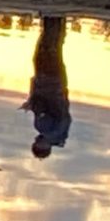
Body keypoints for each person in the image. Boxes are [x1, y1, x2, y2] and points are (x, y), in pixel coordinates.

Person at [20, 12, 71, 158]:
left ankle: (59, 19)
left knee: (55, 48)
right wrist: (30, 105)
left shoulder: (62, 132)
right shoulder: (45, 129)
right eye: (36, 144)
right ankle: (52, 16)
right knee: (45, 49)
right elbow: (42, 106)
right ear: (43, 147)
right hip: (47, 82)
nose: (35, 140)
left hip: (59, 85)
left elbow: (61, 109)